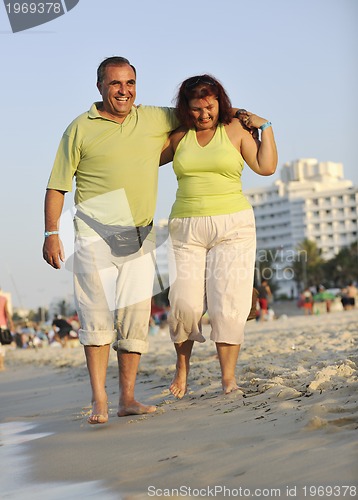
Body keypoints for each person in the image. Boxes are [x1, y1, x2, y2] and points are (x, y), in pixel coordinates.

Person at [43, 56, 179, 424]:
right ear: (100, 86)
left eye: (130, 83)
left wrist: (242, 116)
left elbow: (199, 111)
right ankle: (100, 398)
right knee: (97, 317)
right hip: (93, 234)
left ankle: (128, 399)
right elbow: (58, 184)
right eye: (116, 83)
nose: (124, 91)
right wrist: (51, 233)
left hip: (141, 234)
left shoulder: (152, 117)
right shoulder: (80, 128)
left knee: (135, 319)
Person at [160, 74, 277, 397]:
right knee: (183, 304)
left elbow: (265, 167)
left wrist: (264, 125)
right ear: (186, 109)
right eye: (196, 109)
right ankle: (182, 368)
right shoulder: (178, 136)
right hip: (186, 227)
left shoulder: (236, 130)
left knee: (227, 304)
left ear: (219, 103)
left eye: (210, 107)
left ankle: (228, 379)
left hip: (234, 226)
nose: (204, 115)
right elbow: (139, 162)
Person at [0, 287, 14, 371]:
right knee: (2, 346)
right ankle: (1, 365)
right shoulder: (4, 299)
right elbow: (7, 312)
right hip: (2, 325)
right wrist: (11, 323)